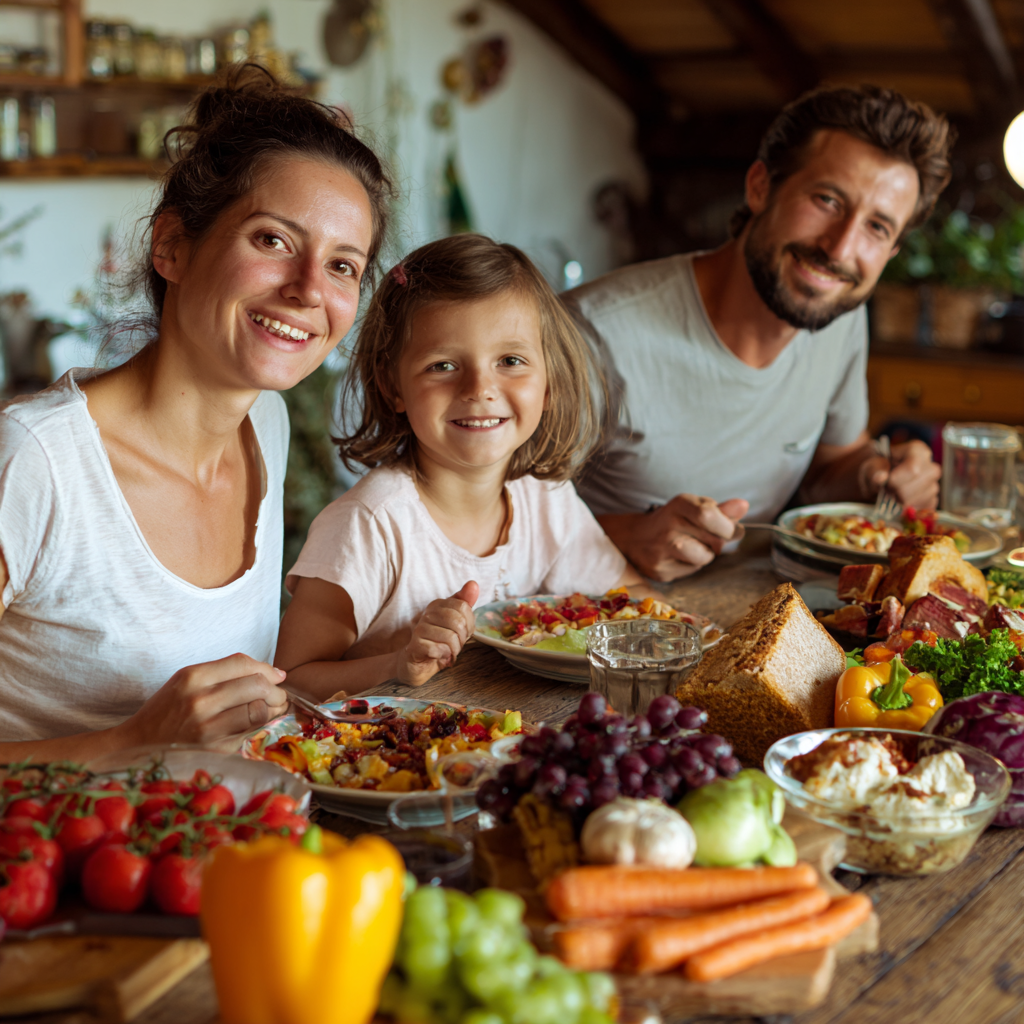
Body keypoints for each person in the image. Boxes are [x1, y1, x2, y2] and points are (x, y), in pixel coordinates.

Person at [0, 67, 391, 759]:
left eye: (343, 266)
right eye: (273, 240)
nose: (308, 290)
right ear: (172, 245)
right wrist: (135, 740)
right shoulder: (33, 463)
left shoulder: (263, 425)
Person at [567, 85, 952, 581]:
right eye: (827, 200)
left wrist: (874, 473)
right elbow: (472, 507)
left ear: (893, 251)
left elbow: (827, 468)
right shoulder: (594, 333)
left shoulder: (840, 316)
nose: (840, 248)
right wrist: (616, 535)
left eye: (877, 227)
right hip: (588, 628)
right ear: (759, 187)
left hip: (750, 612)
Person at [275, 234, 639, 696]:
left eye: (510, 360)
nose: (480, 388)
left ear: (548, 381)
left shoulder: (545, 499)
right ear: (393, 386)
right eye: (443, 365)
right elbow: (291, 682)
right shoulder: (368, 526)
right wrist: (397, 663)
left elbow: (633, 605)